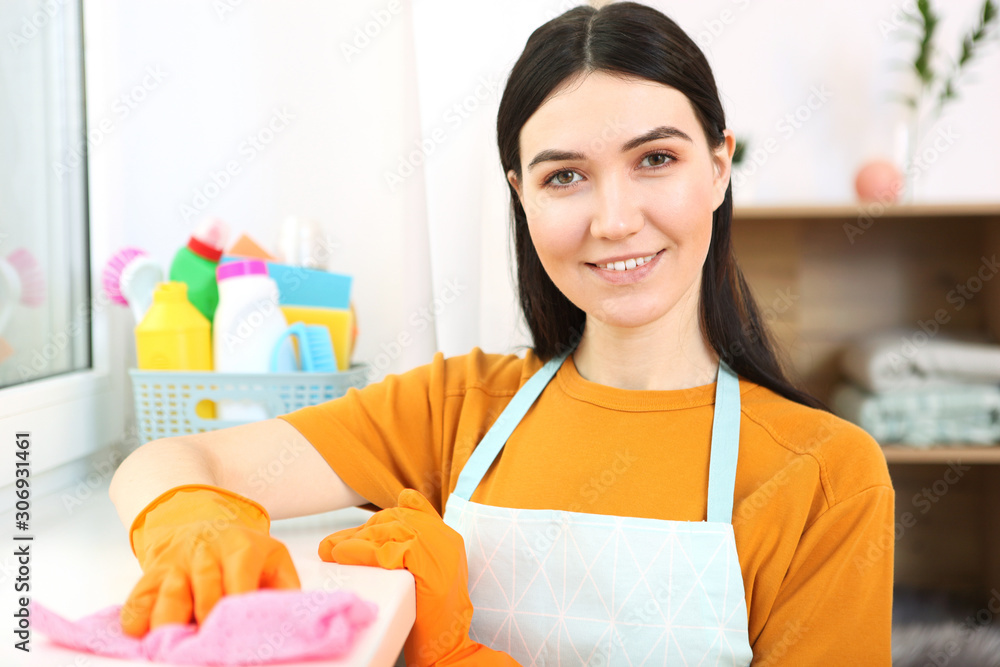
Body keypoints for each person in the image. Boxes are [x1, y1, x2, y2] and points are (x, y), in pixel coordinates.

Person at [109, 2, 895, 665]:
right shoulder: (457, 404)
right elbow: (173, 458)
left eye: (655, 158)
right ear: (521, 197)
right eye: (564, 176)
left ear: (719, 168)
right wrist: (194, 527)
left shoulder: (825, 478)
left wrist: (454, 649)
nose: (615, 219)